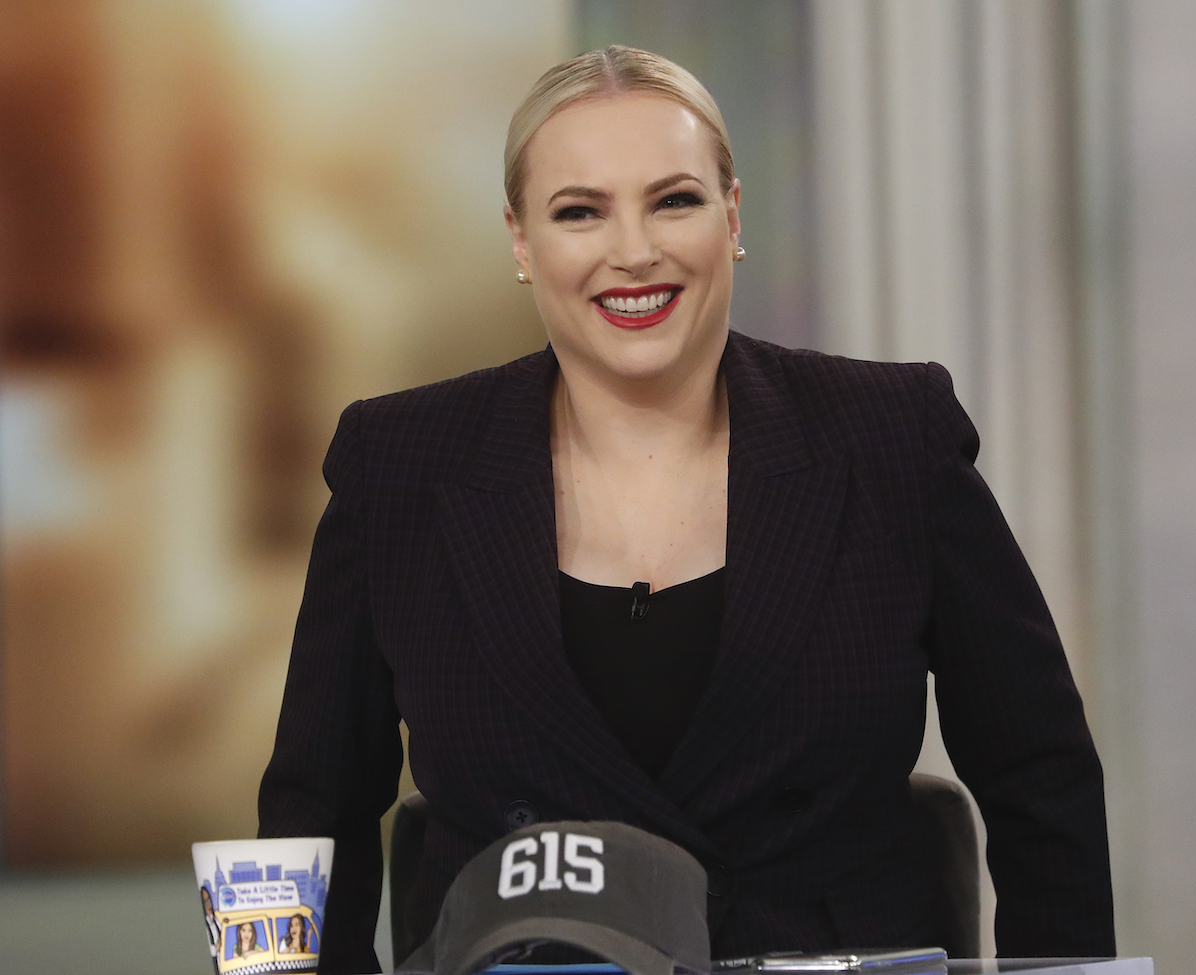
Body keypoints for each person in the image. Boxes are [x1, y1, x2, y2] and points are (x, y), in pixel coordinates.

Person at [259, 45, 1115, 974]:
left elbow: (1042, 773)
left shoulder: (893, 437)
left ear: (732, 216)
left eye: (674, 200)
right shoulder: (398, 464)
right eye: (579, 211)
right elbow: (309, 817)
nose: (635, 251)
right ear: (520, 240)